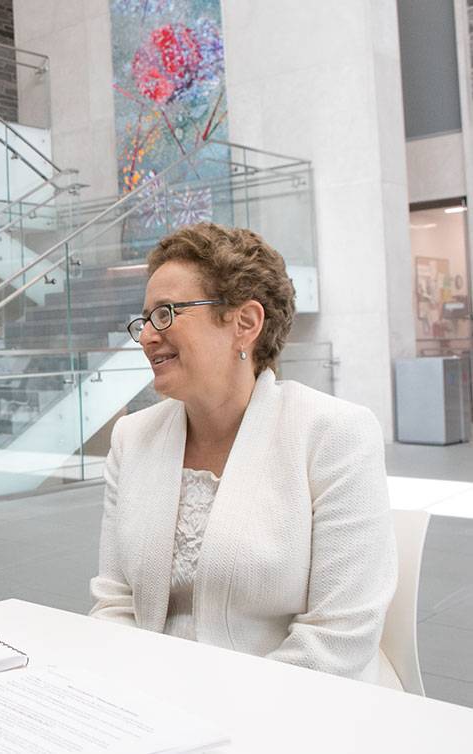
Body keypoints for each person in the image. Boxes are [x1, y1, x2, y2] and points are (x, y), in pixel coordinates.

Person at [89, 223, 398, 684]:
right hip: (149, 701)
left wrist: (211, 709)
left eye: (167, 313)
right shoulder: (132, 439)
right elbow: (114, 603)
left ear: (245, 324)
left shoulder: (333, 435)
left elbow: (338, 638)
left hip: (290, 711)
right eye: (145, 319)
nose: (147, 336)